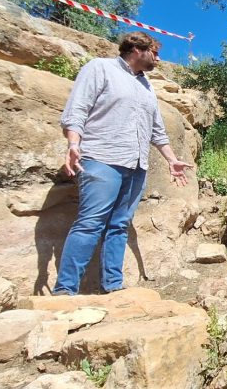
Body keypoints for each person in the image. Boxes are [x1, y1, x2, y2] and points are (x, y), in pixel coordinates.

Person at [54, 32, 191, 295]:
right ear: (138, 49)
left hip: (136, 166)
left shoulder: (146, 86)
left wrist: (172, 160)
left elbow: (157, 130)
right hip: (101, 159)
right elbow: (77, 109)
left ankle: (113, 287)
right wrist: (73, 144)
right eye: (155, 52)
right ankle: (65, 291)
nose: (158, 59)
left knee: (119, 226)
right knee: (90, 223)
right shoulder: (100, 68)